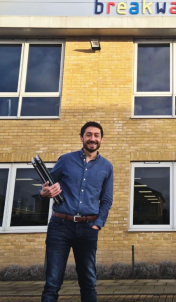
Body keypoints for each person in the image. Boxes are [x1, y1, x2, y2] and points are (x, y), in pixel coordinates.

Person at [39, 121, 113, 302]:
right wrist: (43, 192)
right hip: (60, 226)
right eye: (88, 135)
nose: (92, 139)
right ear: (82, 138)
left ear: (101, 139)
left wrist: (98, 224)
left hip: (88, 227)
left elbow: (106, 199)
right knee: (52, 282)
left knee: (88, 281)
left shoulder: (107, 167)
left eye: (96, 135)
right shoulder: (65, 160)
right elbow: (47, 186)